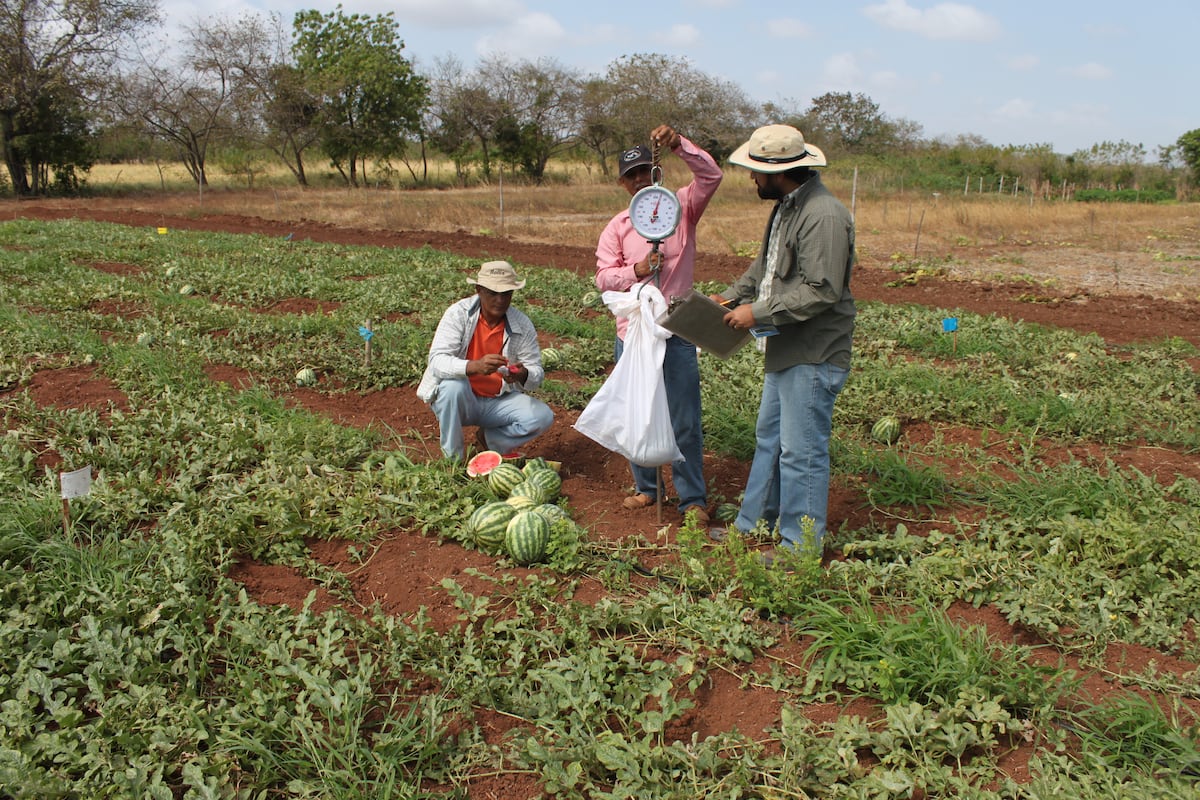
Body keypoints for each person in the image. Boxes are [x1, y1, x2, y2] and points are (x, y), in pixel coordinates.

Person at [714, 124, 856, 553]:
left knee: (802, 452)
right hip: (785, 347)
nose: (751, 178)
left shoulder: (823, 215)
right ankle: (755, 523)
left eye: (757, 171)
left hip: (813, 353)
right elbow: (765, 268)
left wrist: (753, 312)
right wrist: (730, 296)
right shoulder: (787, 208)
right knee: (770, 440)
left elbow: (822, 290)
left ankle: (801, 548)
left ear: (780, 172)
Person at [595, 124, 723, 526]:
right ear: (622, 182)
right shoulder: (617, 226)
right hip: (632, 334)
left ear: (657, 172)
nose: (639, 180)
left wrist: (679, 145)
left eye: (645, 171)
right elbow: (603, 277)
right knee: (638, 411)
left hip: (678, 327)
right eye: (630, 175)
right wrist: (636, 269)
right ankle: (647, 488)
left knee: (683, 417)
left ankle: (691, 498)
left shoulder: (682, 207)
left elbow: (711, 176)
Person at [417, 260, 554, 460]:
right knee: (452, 388)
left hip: (497, 401)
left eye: (506, 294)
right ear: (479, 290)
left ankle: (491, 442)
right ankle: (452, 459)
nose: (500, 300)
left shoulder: (522, 324)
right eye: (492, 293)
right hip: (462, 400)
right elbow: (437, 361)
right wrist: (474, 367)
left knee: (541, 416)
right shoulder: (458, 314)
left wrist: (523, 374)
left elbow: (536, 374)